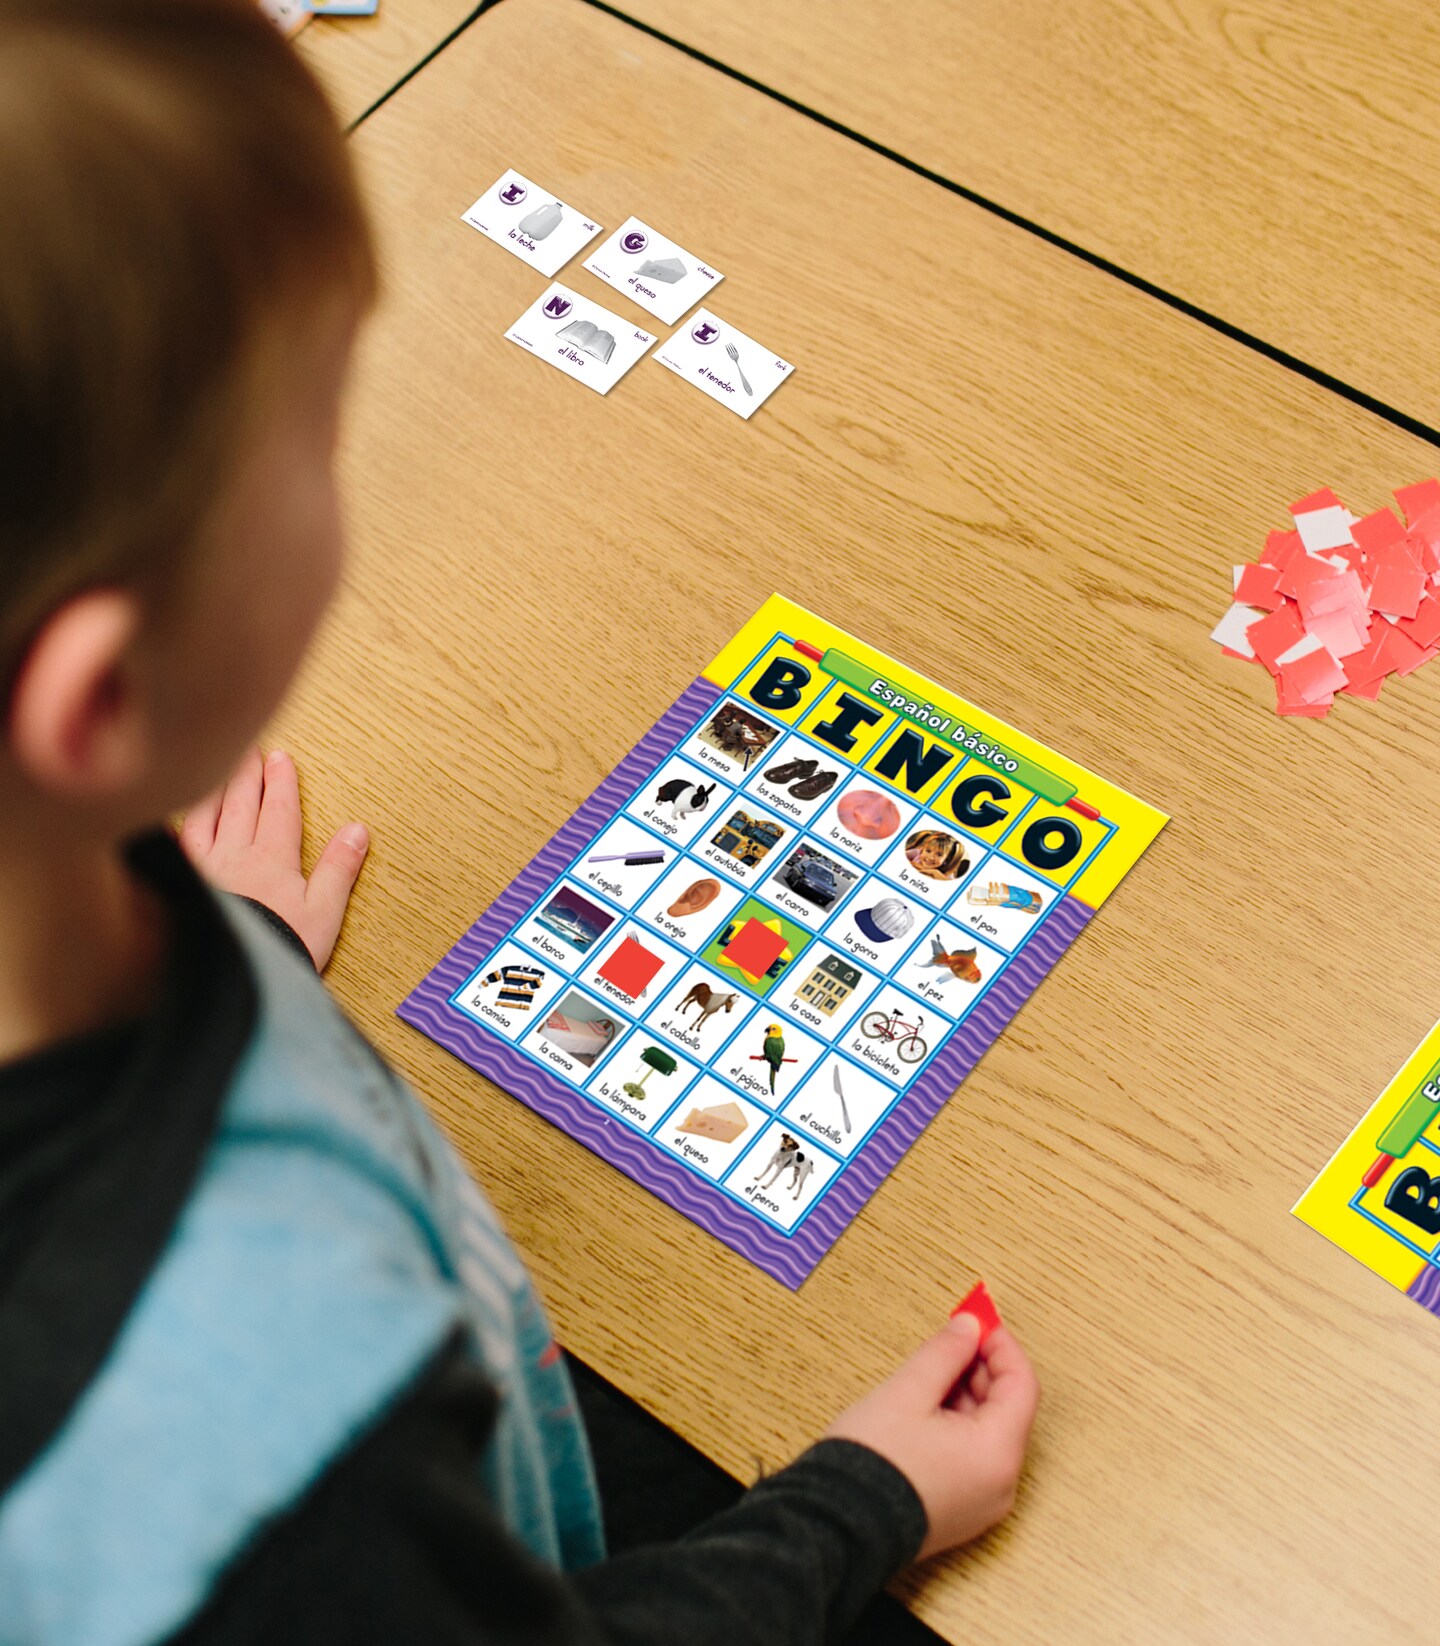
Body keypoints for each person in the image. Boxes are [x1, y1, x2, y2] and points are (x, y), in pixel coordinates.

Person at [0, 3, 1040, 1641]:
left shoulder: (52, 875)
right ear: (104, 701)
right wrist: (856, 1506)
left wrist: (234, 940)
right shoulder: (274, 1471)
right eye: (317, 443)